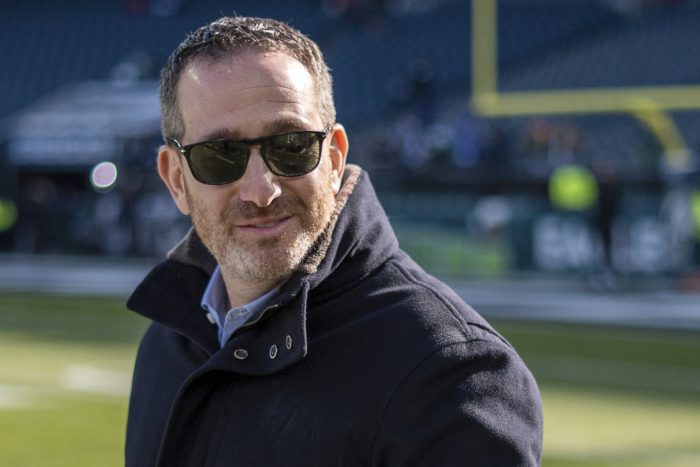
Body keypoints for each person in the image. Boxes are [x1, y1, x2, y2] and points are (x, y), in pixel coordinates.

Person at [125, 16, 543, 466]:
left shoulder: (452, 373)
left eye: (291, 146)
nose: (261, 191)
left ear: (335, 158)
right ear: (175, 179)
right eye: (219, 156)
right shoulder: (169, 340)